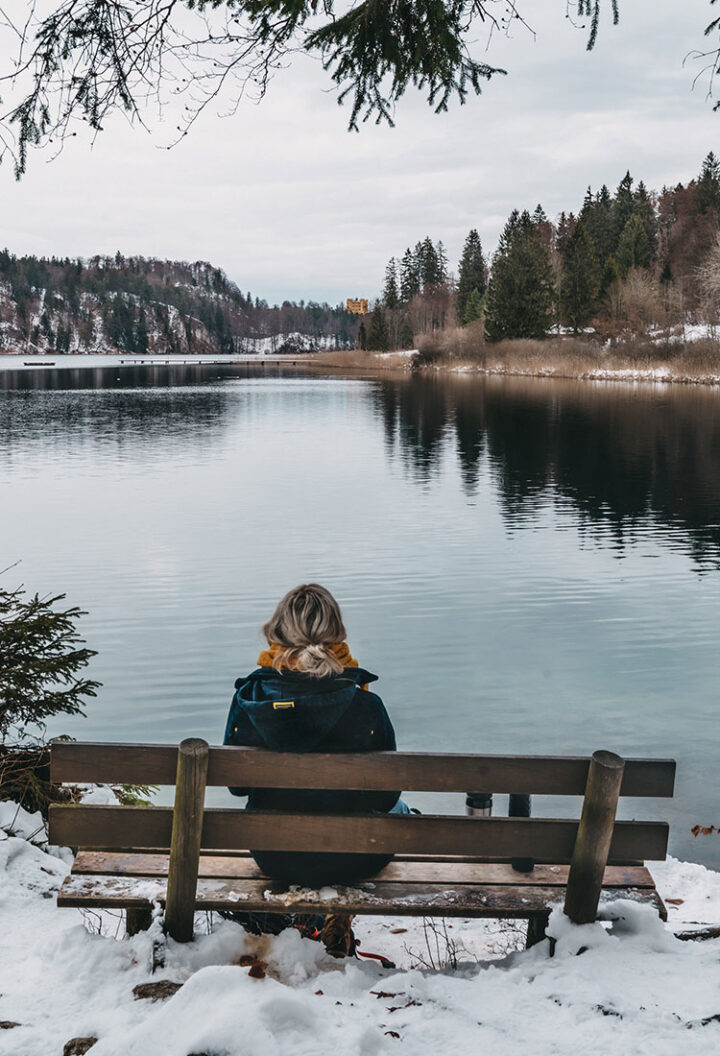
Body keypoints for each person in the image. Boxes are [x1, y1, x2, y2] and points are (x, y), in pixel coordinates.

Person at [223, 583, 407, 957]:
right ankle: (337, 914)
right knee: (403, 812)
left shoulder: (250, 700)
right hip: (355, 854)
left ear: (276, 630)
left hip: (275, 854)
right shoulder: (366, 704)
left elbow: (238, 789)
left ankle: (309, 923)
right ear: (337, 632)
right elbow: (386, 798)